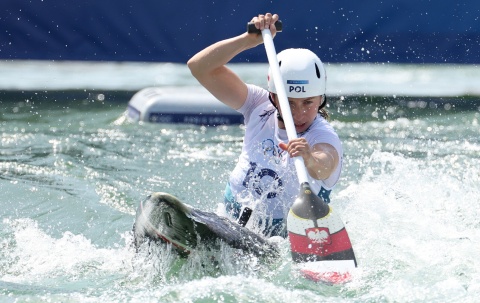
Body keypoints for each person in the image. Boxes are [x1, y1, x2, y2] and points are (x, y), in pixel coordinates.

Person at [187, 13, 343, 238]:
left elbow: (325, 164)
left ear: (321, 99)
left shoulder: (323, 135)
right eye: (289, 103)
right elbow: (200, 67)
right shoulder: (257, 104)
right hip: (231, 216)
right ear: (273, 96)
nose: (299, 113)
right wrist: (247, 40)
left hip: (285, 235)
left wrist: (309, 157)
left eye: (308, 102)